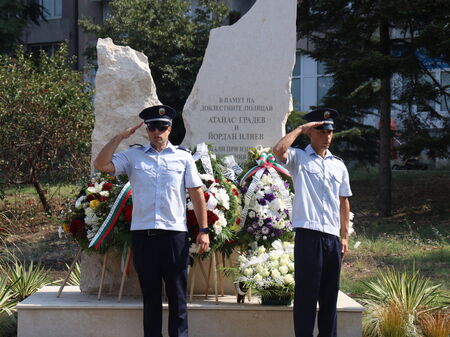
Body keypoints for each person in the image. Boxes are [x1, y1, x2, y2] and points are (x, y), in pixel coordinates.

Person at [93, 104, 210, 337]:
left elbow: (197, 193)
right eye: (153, 127)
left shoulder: (183, 157)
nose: (157, 132)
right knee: (151, 298)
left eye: (162, 127)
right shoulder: (133, 156)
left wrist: (203, 229)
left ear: (170, 129)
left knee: (178, 296)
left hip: (174, 235)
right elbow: (101, 164)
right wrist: (119, 137)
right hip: (144, 235)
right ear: (147, 130)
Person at [273, 108, 352, 337]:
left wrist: (344, 235)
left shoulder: (339, 164)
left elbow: (344, 201)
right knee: (306, 296)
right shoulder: (299, 157)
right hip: (309, 235)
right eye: (321, 131)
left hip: (332, 237)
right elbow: (278, 150)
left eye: (330, 132)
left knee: (329, 296)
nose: (327, 136)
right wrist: (299, 128)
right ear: (311, 133)